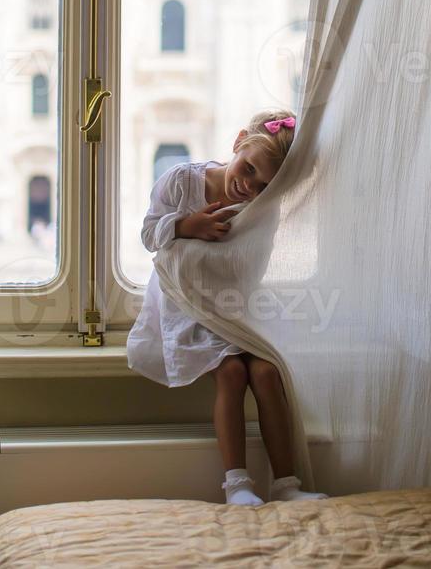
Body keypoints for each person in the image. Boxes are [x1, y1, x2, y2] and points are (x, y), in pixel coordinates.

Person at [127, 109, 327, 506]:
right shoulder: (183, 182)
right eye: (248, 168)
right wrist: (186, 227)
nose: (248, 186)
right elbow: (150, 235)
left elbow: (252, 264)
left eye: (264, 185)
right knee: (232, 372)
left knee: (269, 373)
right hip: (187, 303)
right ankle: (236, 484)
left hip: (234, 304)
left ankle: (285, 484)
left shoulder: (262, 206)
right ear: (238, 144)